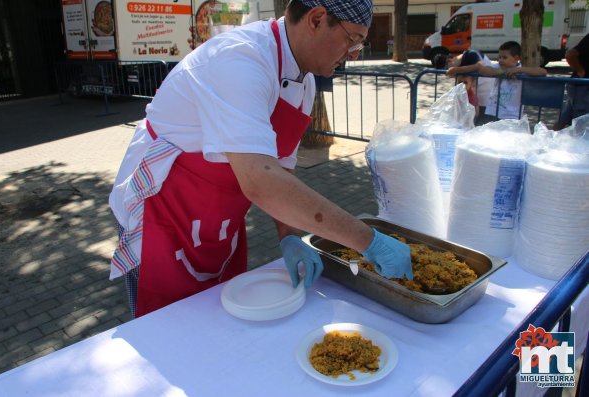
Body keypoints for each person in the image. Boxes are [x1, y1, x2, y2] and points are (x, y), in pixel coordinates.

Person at [109, 0, 413, 318]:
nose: (354, 53)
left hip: (217, 224)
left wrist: (289, 235)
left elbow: (280, 170)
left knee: (220, 318)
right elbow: (260, 180)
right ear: (317, 19)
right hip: (162, 212)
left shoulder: (304, 82)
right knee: (167, 327)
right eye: (352, 39)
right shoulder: (239, 59)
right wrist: (367, 241)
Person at [472, 41, 547, 124]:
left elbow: (542, 72)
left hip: (512, 115)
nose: (500, 60)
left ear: (516, 58)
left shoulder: (521, 70)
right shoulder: (498, 67)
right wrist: (501, 72)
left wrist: (518, 70)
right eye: (499, 57)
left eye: (504, 57)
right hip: (493, 111)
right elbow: (483, 70)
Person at [446, 49, 494, 125]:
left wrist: (456, 70)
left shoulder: (472, 53)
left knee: (480, 125)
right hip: (474, 93)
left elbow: (479, 65)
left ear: (451, 60)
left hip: (485, 98)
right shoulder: (465, 63)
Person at [554, 33, 589, 130]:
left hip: (580, 86)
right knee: (581, 122)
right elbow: (570, 54)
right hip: (582, 86)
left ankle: (551, 137)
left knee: (566, 117)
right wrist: (580, 70)